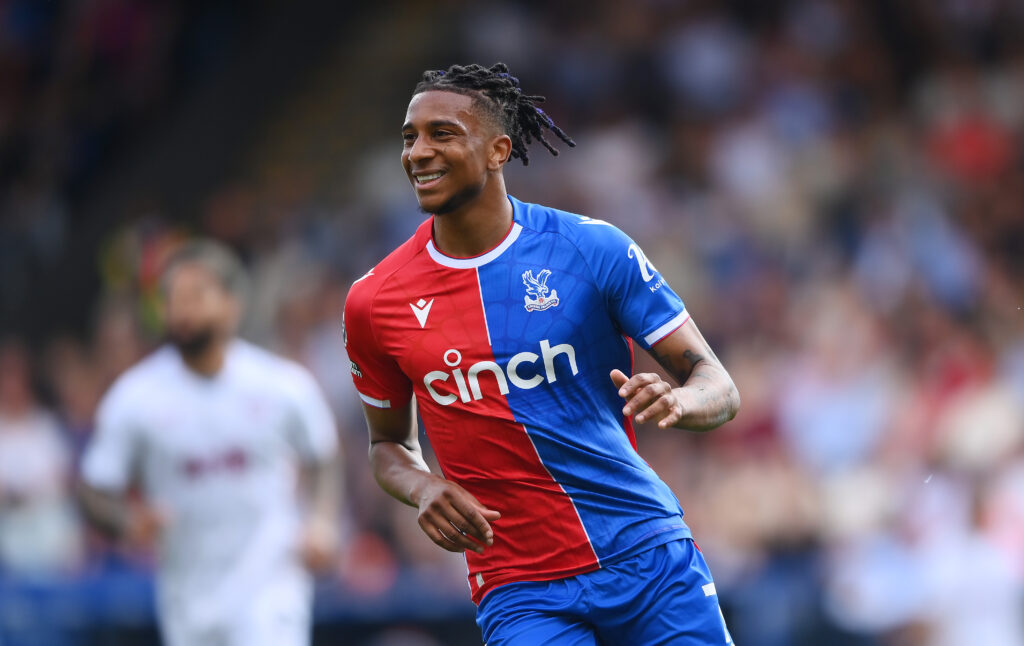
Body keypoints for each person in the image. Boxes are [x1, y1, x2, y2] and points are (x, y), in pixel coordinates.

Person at [343, 62, 741, 645]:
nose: (418, 152)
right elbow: (388, 446)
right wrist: (423, 486)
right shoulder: (374, 301)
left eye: (441, 134)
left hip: (647, 554)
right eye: (410, 137)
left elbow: (718, 385)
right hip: (520, 589)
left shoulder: (591, 248)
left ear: (498, 150)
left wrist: (680, 401)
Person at [79, 240, 340, 646]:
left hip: (270, 589)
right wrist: (127, 522)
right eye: (173, 299)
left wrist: (321, 522)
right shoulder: (134, 398)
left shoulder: (281, 386)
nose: (183, 310)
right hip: (188, 599)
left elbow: (322, 455)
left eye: (197, 295)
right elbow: (95, 487)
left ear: (233, 304)